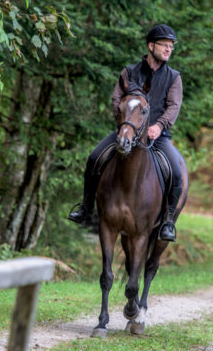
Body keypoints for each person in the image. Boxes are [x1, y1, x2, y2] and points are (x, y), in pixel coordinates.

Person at [67, 24, 186, 242]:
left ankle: (168, 222)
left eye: (171, 46)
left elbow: (173, 106)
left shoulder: (173, 77)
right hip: (127, 131)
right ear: (151, 46)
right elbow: (116, 99)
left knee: (177, 173)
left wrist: (158, 126)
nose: (169, 50)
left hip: (157, 137)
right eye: (164, 45)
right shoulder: (129, 72)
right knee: (94, 157)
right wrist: (125, 124)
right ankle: (85, 208)